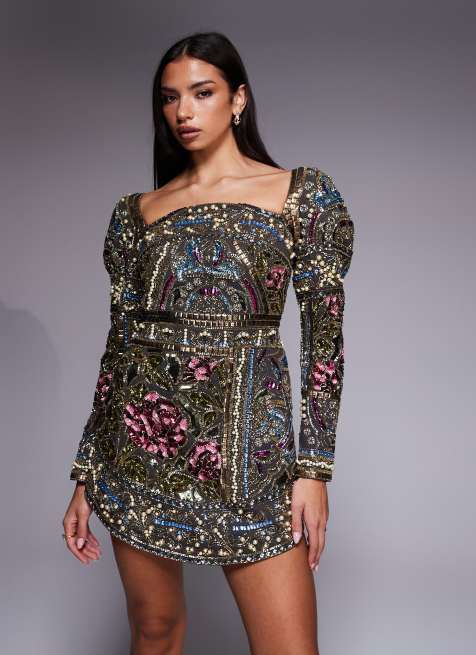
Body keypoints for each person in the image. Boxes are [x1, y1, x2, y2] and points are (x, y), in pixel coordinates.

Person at [62, 31, 355, 655]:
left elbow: (324, 344)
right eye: (170, 98)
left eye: (202, 93)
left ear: (238, 99)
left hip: (252, 462)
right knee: (156, 633)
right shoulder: (137, 212)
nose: (184, 112)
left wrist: (313, 469)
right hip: (138, 454)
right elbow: (119, 349)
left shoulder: (300, 195)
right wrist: (86, 472)